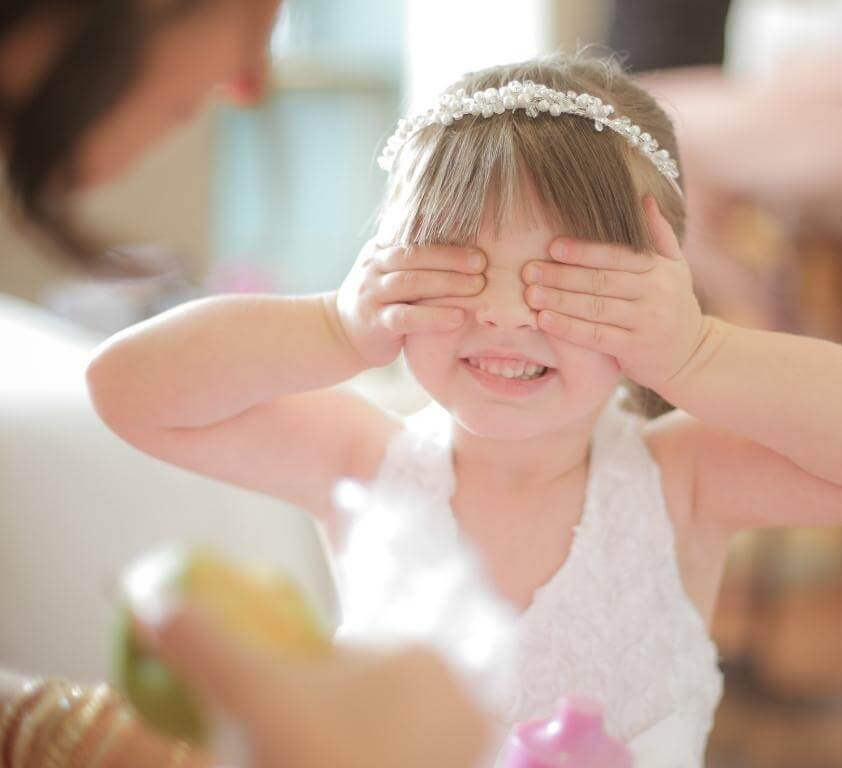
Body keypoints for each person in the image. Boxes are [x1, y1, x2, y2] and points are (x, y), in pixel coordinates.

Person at [86, 53, 842, 765]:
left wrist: (702, 354)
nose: (504, 314)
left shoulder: (680, 480)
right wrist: (332, 327)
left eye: (567, 283)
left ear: (653, 299)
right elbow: (125, 391)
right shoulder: (365, 463)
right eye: (456, 267)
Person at [0, 3, 490, 767]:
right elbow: (125, 388)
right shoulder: (380, 451)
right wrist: (333, 328)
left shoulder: (666, 468)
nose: (250, 79)